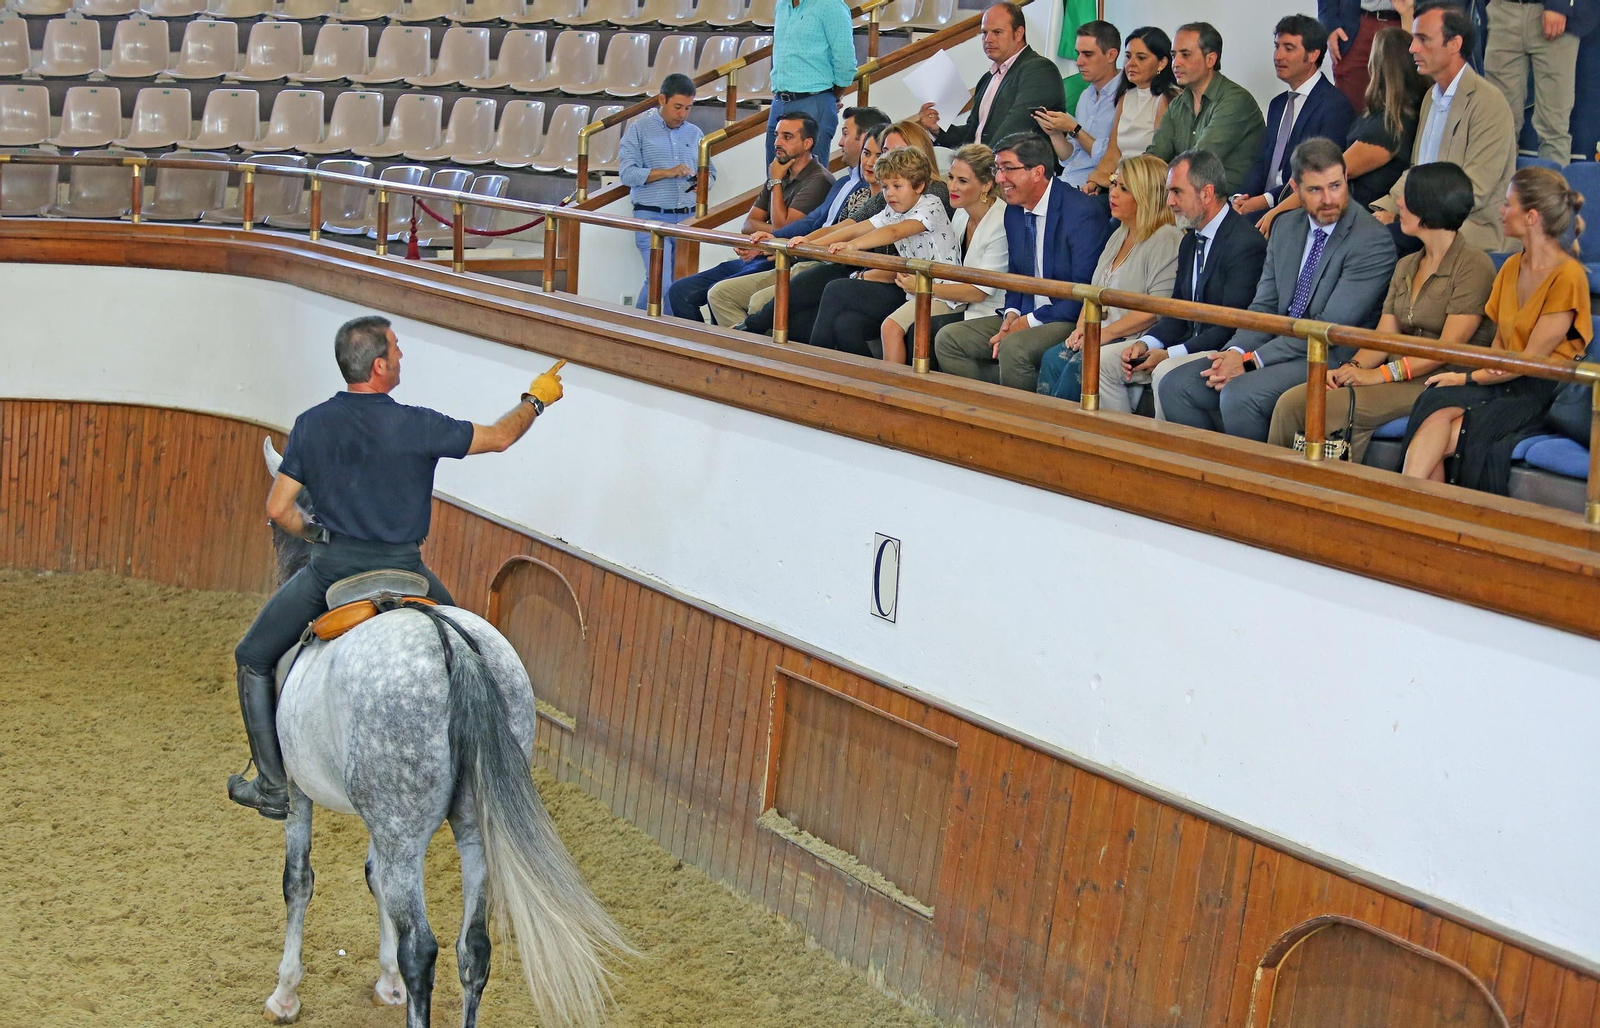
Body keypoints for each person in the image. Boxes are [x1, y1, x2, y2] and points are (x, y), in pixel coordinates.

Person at [228, 316, 567, 819]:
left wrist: (317, 534)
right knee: (472, 658)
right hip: (408, 571)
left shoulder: (313, 424)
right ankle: (488, 773)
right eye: (399, 350)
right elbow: (499, 437)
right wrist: (535, 400)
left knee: (253, 656)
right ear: (380, 366)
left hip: (332, 573)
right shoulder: (418, 424)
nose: (403, 357)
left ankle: (273, 786)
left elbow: (278, 510)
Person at [1158, 137, 1396, 441]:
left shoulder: (1370, 239)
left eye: (1336, 186)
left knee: (1239, 395)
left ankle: (1257, 484)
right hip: (1275, 343)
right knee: (1176, 386)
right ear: (1295, 189)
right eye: (1315, 190)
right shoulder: (1285, 226)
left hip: (1327, 355)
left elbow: (1326, 329)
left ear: (1346, 179)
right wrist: (1236, 351)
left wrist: (1251, 361)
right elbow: (1264, 307)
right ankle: (1214, 477)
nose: (1328, 199)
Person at [1268, 162, 1496, 460]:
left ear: (1428, 204)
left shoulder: (1473, 266)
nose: (1398, 203)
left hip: (1439, 382)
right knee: (1290, 401)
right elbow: (1384, 335)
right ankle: (1275, 492)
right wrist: (1353, 368)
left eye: (1407, 196)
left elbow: (1445, 350)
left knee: (1321, 407)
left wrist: (1379, 375)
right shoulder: (1407, 264)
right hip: (1396, 375)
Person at [1402, 167, 1592, 491]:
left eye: (1508, 204)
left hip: (1540, 389)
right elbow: (1499, 346)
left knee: (1452, 431)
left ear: (1531, 217)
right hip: (1503, 377)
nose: (1501, 212)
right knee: (1434, 407)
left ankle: (1409, 516)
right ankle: (1415, 518)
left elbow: (1530, 360)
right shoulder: (1510, 266)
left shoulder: (1569, 275)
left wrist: (1465, 377)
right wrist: (1474, 379)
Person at [933, 132, 1113, 391]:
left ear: (1037, 172)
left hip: (1064, 316)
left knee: (1014, 348)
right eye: (997, 168)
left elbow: (1082, 293)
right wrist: (1011, 315)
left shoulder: (1081, 212)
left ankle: (1020, 422)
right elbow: (1016, 275)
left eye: (1007, 169)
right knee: (949, 340)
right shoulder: (1014, 210)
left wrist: (1025, 323)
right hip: (1026, 312)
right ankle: (987, 409)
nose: (999, 178)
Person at [742, 120, 952, 341]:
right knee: (816, 291)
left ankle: (811, 360)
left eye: (896, 152)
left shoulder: (933, 193)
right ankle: (755, 330)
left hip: (906, 280)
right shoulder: (889, 194)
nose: (884, 159)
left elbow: (894, 232)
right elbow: (851, 226)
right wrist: (801, 244)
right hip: (872, 269)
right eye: (885, 152)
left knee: (835, 289)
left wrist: (849, 248)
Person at [1109, 149, 1269, 417]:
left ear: (1206, 194)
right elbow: (1177, 310)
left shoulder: (1244, 243)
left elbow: (1230, 324)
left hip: (1221, 348)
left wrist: (1169, 353)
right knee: (1103, 361)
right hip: (1188, 344)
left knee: (1164, 372)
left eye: (1176, 192)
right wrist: (1148, 343)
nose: (1169, 201)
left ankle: (1163, 455)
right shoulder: (1189, 241)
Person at [705, 105, 890, 328]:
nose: (840, 142)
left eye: (845, 133)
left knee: (757, 303)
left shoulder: (824, 180)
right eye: (867, 154)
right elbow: (816, 223)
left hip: (825, 263)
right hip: (803, 254)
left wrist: (783, 244)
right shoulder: (845, 183)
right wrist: (779, 242)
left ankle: (752, 349)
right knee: (716, 292)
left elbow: (842, 233)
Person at [1369, 1, 1516, 254]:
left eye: (1423, 39)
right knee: (1355, 231)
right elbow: (1416, 172)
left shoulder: (1488, 102)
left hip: (1469, 227)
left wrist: (1407, 217)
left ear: (1454, 44)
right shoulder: (1430, 98)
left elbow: (1473, 191)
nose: (1413, 48)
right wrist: (1386, 209)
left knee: (1375, 246)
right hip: (1425, 220)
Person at [1035, 153, 1182, 401]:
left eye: (1124, 189)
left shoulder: (1167, 238)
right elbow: (1093, 292)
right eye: (1114, 184)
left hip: (1134, 340)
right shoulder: (1119, 233)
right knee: (1052, 358)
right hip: (1100, 332)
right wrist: (1082, 328)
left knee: (1080, 366)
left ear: (1146, 195)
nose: (1112, 193)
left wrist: (1105, 334)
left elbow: (1156, 309)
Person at [667, 111, 835, 324]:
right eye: (776, 135)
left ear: (807, 143)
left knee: (717, 294)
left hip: (779, 259)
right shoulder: (779, 171)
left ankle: (725, 351)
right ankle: (703, 350)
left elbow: (785, 225)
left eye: (787, 137)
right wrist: (767, 229)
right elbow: (748, 225)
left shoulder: (818, 179)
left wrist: (774, 184)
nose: (777, 142)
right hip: (757, 255)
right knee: (679, 291)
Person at [1256, 26, 1426, 236]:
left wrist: (1277, 211)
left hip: (1353, 220)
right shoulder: (1378, 115)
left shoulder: (1391, 125)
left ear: (1379, 67)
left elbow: (1329, 176)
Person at [808, 147, 962, 356]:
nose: (889, 193)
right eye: (885, 186)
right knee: (847, 324)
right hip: (914, 290)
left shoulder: (931, 205)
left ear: (919, 186)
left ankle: (889, 384)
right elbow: (857, 227)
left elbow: (894, 232)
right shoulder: (893, 209)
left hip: (944, 293)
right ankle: (860, 377)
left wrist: (853, 246)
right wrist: (813, 244)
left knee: (888, 326)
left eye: (897, 186)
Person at [879, 144, 1008, 365]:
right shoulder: (959, 213)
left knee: (917, 329)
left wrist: (923, 287)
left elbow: (979, 293)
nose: (952, 186)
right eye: (951, 177)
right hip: (953, 300)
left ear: (986, 185)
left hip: (987, 311)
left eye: (962, 181)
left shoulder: (1001, 222)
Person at [1230, 16, 1355, 221]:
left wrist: (1265, 200)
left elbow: (1318, 173)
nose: (1278, 56)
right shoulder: (1277, 104)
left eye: (1289, 48)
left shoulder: (1334, 105)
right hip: (1262, 205)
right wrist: (1241, 198)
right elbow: (1261, 163)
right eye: (1277, 46)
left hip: (1297, 209)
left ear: (1313, 54)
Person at [617, 73, 711, 316]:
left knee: (682, 284)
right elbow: (627, 174)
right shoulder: (639, 129)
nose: (682, 114)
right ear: (662, 100)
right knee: (660, 282)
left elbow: (711, 172)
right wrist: (668, 173)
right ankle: (640, 331)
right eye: (677, 107)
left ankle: (667, 335)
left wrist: (703, 183)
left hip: (688, 218)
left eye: (688, 108)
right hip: (651, 217)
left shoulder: (695, 133)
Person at [915, 2, 1065, 150]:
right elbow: (973, 133)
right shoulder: (987, 78)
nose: (988, 39)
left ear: (1018, 33)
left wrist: (979, 165)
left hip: (1015, 169)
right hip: (984, 167)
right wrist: (937, 129)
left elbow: (1016, 131)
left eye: (997, 32)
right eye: (984, 33)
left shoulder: (1039, 69)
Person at [1145, 22, 1265, 194]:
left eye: (1185, 55)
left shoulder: (1235, 100)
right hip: (1186, 197)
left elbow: (1198, 163)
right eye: (1174, 55)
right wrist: (1130, 176)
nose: (1176, 63)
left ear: (1210, 60)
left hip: (1228, 204)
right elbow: (1155, 154)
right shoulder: (1178, 103)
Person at [1483, 0, 1597, 166]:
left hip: (1553, 13)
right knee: (1498, 124)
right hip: (1503, 10)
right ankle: (1498, 191)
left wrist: (1559, 4)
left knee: (1554, 127)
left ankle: (1552, 191)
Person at [1083, 26, 1178, 196]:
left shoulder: (1168, 98)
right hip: (1118, 186)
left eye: (1141, 58)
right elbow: (1113, 153)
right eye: (1128, 57)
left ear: (1162, 63)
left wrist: (1113, 180)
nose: (1131, 64)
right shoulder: (1126, 97)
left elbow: (1157, 159)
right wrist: (1094, 181)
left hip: (1146, 191)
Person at [1032, 20, 1122, 189]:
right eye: (1078, 53)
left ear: (1111, 55)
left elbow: (1112, 160)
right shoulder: (1086, 96)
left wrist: (1074, 128)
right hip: (1068, 181)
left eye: (1087, 54)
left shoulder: (1126, 96)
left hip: (1096, 187)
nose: (1079, 62)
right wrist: (1055, 134)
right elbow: (1072, 157)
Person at [766, 0, 857, 165]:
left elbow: (845, 62)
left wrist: (829, 97)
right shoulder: (781, 5)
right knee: (774, 179)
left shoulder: (830, 5)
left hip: (814, 102)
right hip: (779, 102)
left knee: (811, 181)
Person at [1319, 0, 1412, 113]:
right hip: (1356, 25)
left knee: (1406, 102)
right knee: (1349, 107)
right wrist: (1329, 23)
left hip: (1408, 20)